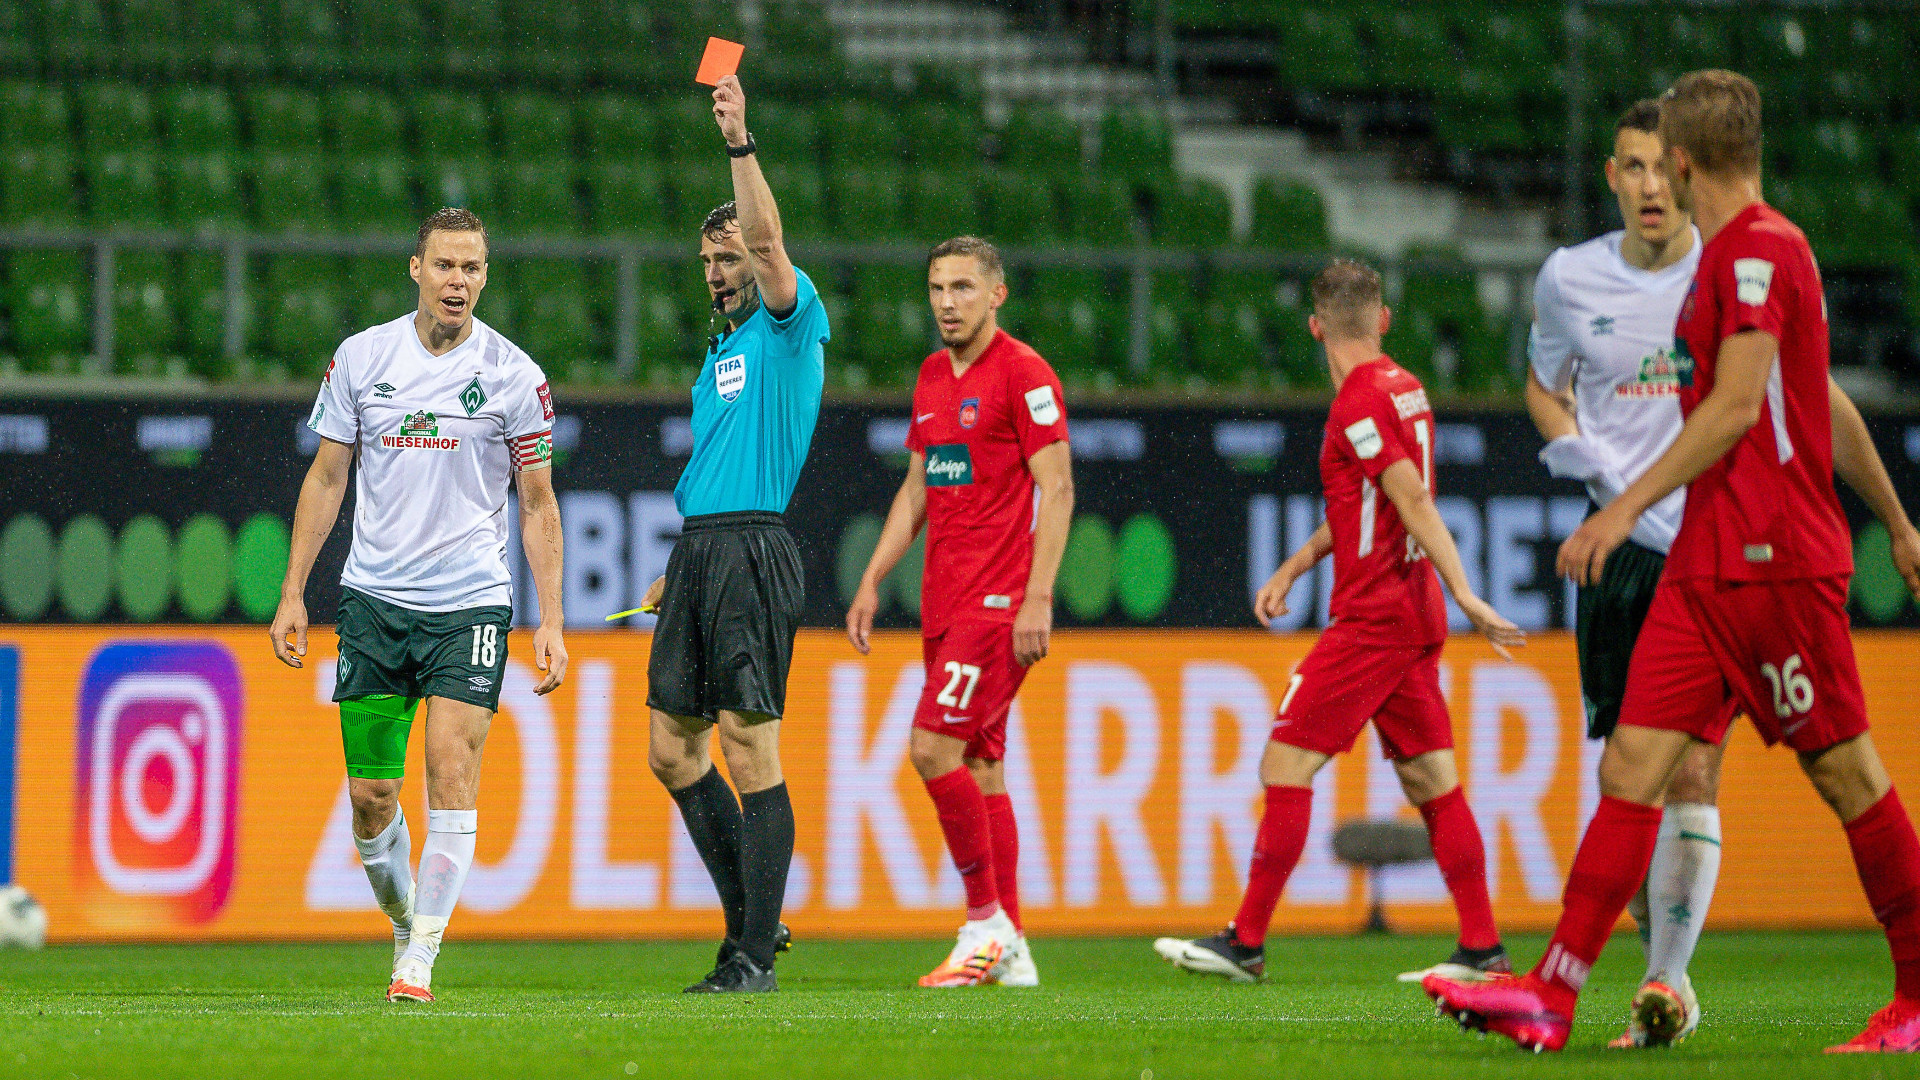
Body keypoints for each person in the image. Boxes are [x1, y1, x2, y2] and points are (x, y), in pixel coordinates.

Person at [1426, 69, 1920, 1054]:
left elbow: (1747, 407)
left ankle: (1916, 993)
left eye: (1667, 162)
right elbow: (1810, 402)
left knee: (1849, 778)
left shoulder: (1760, 254)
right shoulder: (1725, 260)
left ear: (1685, 161)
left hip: (1776, 563)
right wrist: (1902, 525)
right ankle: (1553, 994)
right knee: (1636, 766)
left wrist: (1622, 512)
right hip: (1704, 564)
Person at [1153, 259, 1524, 983]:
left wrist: (1469, 593)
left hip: (1374, 618)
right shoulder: (1407, 389)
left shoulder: (1354, 401)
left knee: (1284, 763)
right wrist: (1297, 564)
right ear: (1382, 320)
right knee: (1431, 780)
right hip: (1410, 615)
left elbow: (1411, 498)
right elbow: (1373, 503)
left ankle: (1247, 940)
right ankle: (1483, 947)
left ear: (1316, 327)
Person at [270, 206, 568, 1004]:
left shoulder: (515, 375)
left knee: (450, 767)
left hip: (470, 602)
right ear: (415, 269)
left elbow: (538, 504)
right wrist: (294, 590)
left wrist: (551, 620)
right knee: (371, 800)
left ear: (485, 276)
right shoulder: (362, 358)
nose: (458, 282)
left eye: (472, 268)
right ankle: (408, 921)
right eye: (445, 266)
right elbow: (328, 478)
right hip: (372, 601)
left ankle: (420, 960)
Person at [638, 75, 827, 994]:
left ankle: (752, 956)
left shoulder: (793, 329)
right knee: (672, 750)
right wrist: (682, 567)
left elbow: (770, 239)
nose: (721, 270)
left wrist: (739, 141)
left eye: (732, 257)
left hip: (752, 550)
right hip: (703, 550)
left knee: (751, 751)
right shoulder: (720, 353)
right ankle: (757, 919)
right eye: (708, 259)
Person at [845, 237, 1072, 988]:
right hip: (943, 603)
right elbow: (918, 489)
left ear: (997, 294)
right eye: (938, 287)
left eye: (964, 287)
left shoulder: (1025, 372)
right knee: (981, 765)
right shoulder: (932, 376)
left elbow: (1059, 487)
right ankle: (1012, 945)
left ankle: (984, 926)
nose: (947, 301)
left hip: (999, 603)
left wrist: (1039, 595)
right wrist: (876, 576)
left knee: (931, 749)